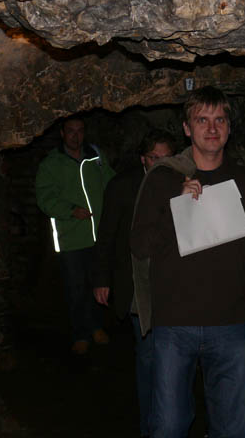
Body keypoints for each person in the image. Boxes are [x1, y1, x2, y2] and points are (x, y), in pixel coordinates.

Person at [130, 87, 245, 438]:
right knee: (168, 426)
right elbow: (140, 246)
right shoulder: (163, 178)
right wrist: (175, 208)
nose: (212, 128)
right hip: (174, 324)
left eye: (219, 120)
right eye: (202, 120)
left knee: (233, 428)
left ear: (229, 128)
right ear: (187, 128)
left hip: (229, 324)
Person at [92, 129, 176, 438]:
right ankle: (150, 426)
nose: (160, 164)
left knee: (172, 356)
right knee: (148, 354)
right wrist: (101, 278)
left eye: (167, 158)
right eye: (155, 158)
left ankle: (171, 419)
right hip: (137, 285)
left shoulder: (181, 184)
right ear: (143, 158)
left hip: (173, 283)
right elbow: (107, 234)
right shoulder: (122, 186)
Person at [36, 116, 115, 355]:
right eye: (70, 131)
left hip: (98, 236)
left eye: (80, 131)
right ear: (62, 133)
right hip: (70, 238)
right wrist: (70, 210)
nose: (75, 136)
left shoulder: (96, 157)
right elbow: (45, 198)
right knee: (76, 288)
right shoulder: (51, 164)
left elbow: (111, 183)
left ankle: (96, 326)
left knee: (99, 284)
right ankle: (80, 334)